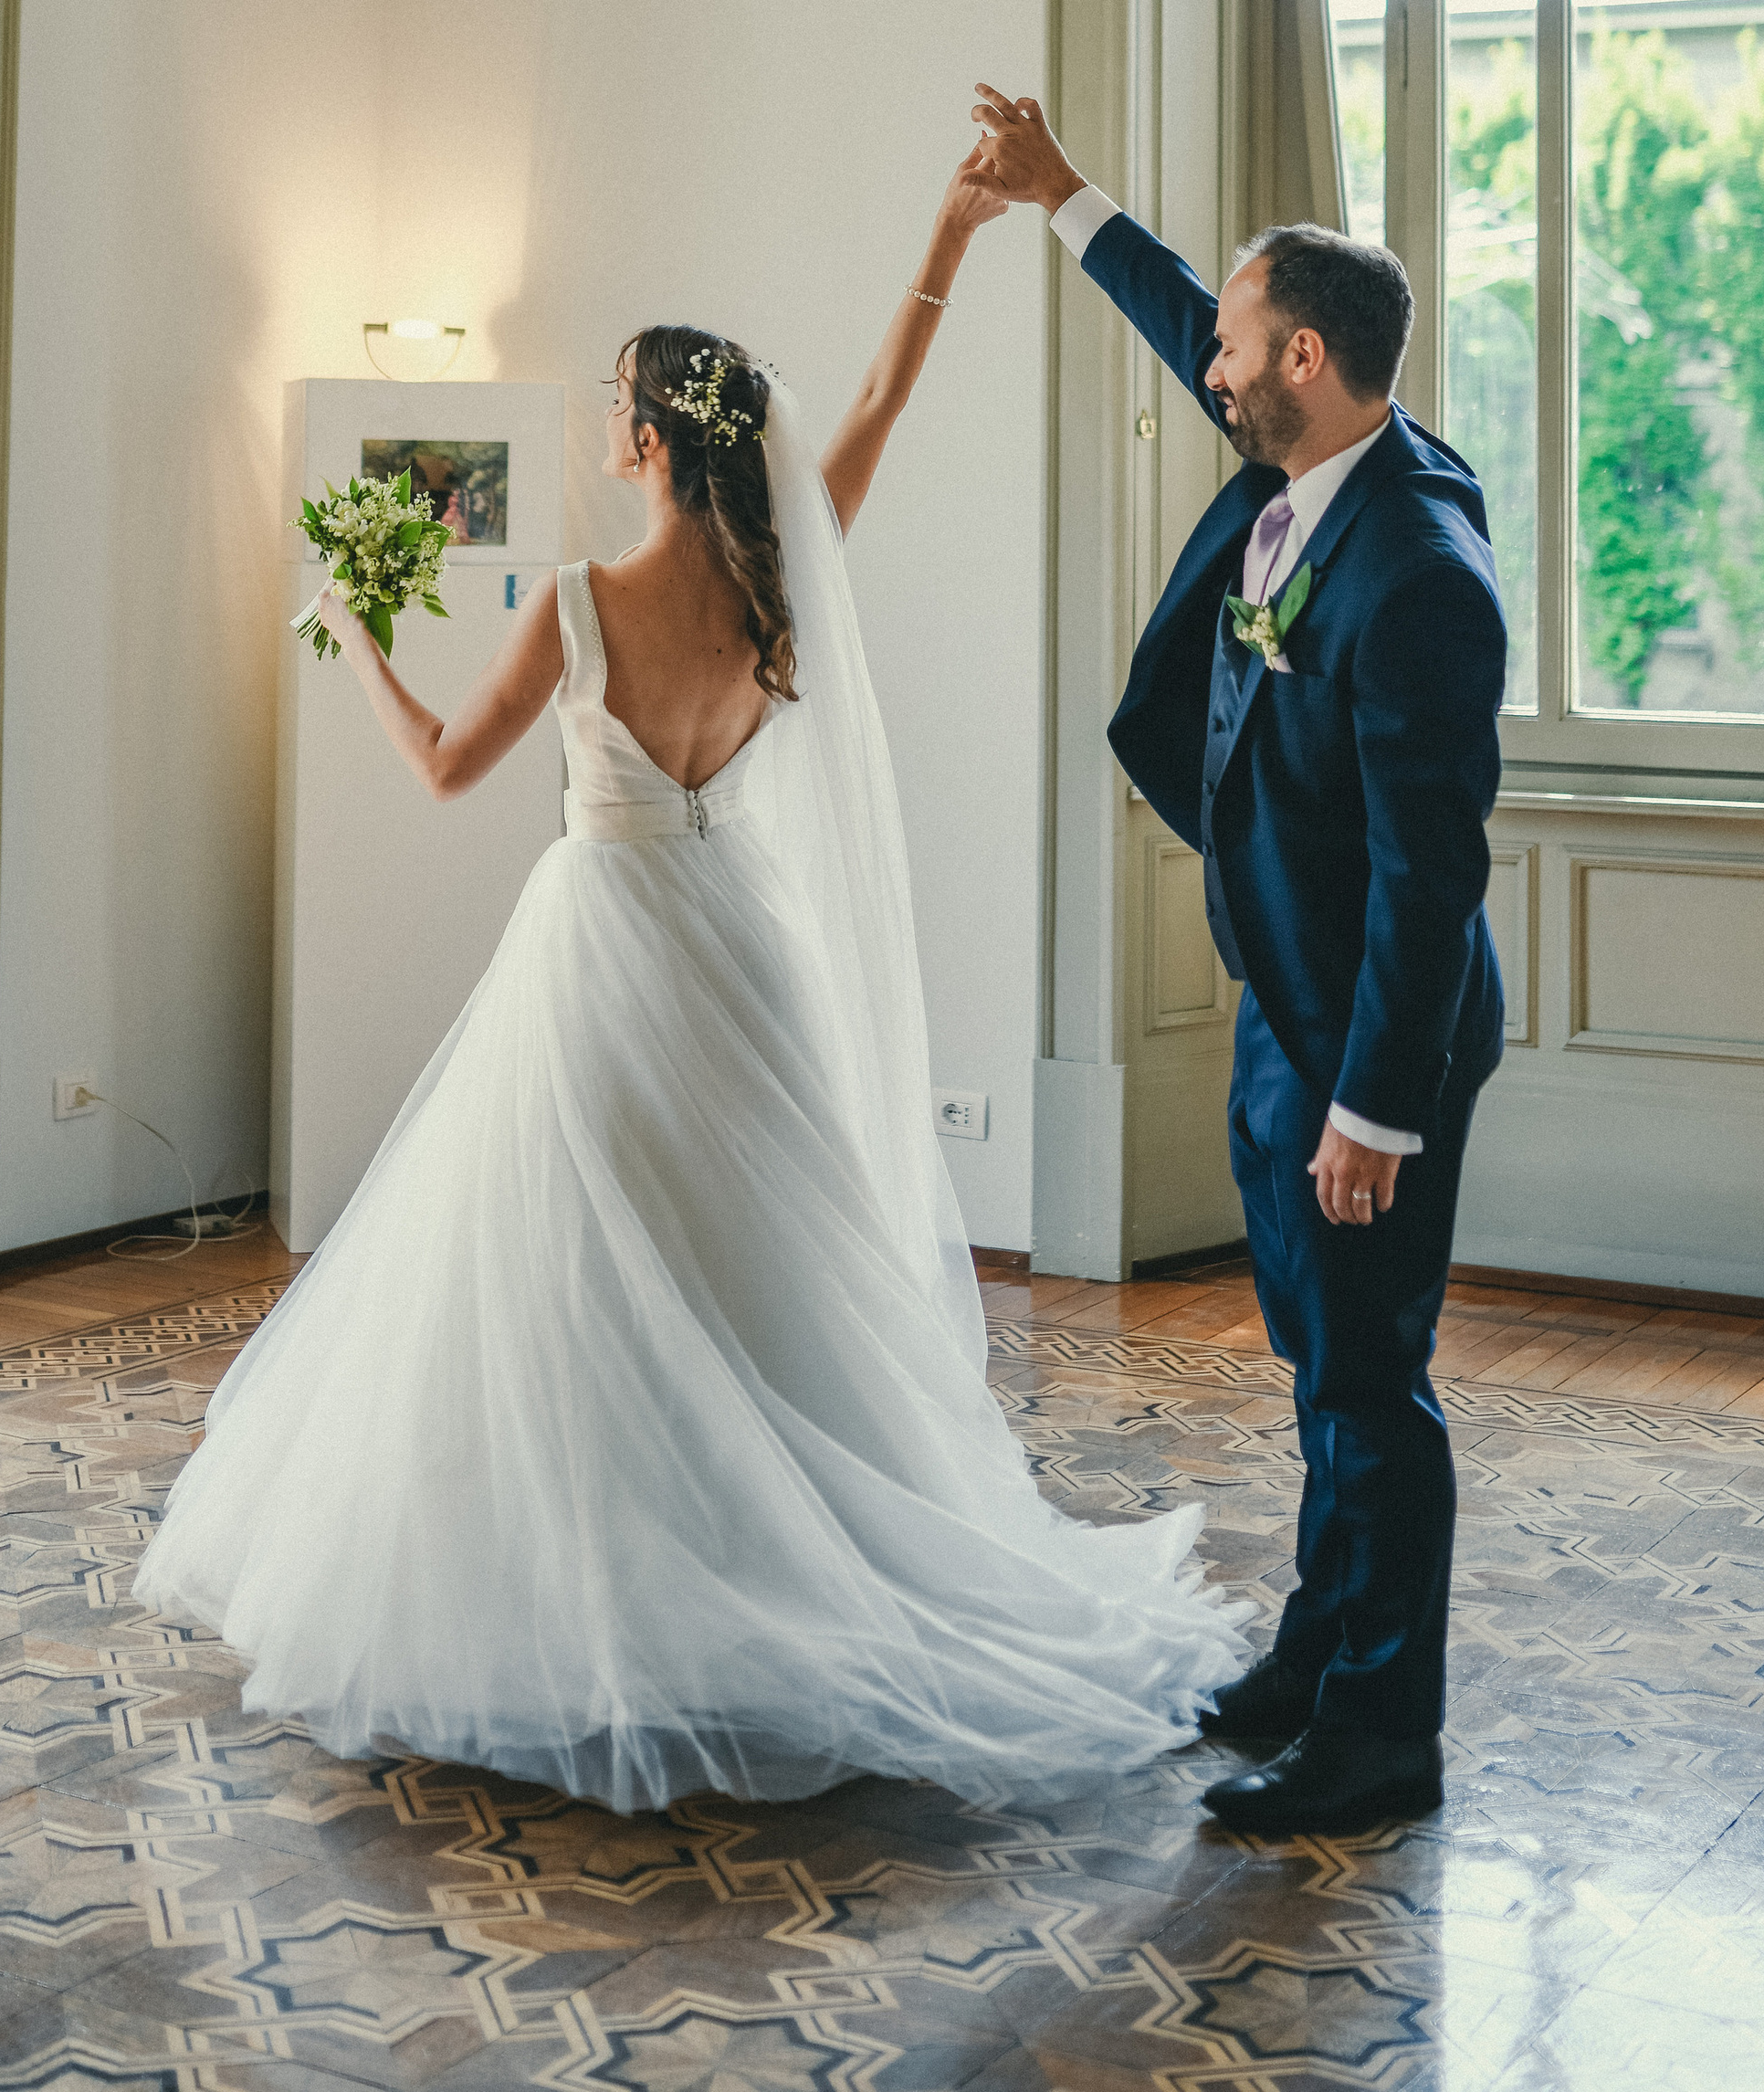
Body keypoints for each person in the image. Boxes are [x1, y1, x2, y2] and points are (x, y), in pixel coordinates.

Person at [132, 156, 1244, 1814]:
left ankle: (593, 1580)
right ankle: (767, 1551)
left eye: (614, 404)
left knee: (565, 1267)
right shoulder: (786, 573)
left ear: (650, 436)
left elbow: (442, 767)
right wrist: (943, 237)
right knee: (750, 1267)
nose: (603, 421)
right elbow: (874, 396)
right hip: (738, 944)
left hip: (601, 950)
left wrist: (354, 629)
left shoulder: (582, 604)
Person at [971, 85, 1507, 1841]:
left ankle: (1380, 1739)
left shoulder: (1418, 566)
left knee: (1371, 1386)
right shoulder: (1320, 448)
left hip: (1370, 1042)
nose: (1212, 364)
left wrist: (1374, 1105)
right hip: (1292, 1010)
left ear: (1306, 365)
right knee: (1318, 1364)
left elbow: (1431, 877)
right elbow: (1186, 304)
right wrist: (1064, 200)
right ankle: (1317, 1648)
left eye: (1239, 346)